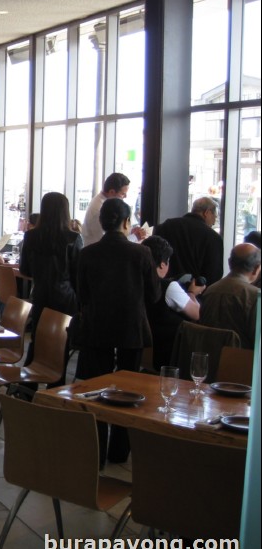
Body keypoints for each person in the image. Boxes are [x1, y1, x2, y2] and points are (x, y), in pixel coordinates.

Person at [75, 198, 160, 464]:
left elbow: (82, 294)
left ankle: (96, 449)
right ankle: (119, 451)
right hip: (130, 329)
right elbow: (154, 295)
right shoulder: (141, 254)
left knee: (95, 389)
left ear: (102, 223)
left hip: (96, 327)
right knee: (127, 391)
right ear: (126, 222)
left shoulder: (87, 253)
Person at [19, 192, 82, 369]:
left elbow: (25, 270)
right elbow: (78, 274)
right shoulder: (73, 238)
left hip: (40, 294)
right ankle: (56, 385)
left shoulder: (31, 237)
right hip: (66, 297)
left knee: (38, 338)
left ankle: (28, 383)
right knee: (61, 342)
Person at [142, 235, 205, 370]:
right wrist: (192, 293)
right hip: (167, 355)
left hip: (141, 351)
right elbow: (196, 314)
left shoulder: (134, 282)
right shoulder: (169, 287)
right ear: (163, 264)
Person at [200, 243, 260, 350]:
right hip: (243, 363)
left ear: (229, 263)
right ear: (257, 268)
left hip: (209, 359)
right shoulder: (255, 296)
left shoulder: (209, 290)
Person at [153, 196, 224, 285]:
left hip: (163, 287)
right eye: (215, 217)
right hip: (194, 291)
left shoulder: (167, 225)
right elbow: (214, 275)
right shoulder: (213, 238)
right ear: (207, 213)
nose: (214, 222)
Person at [81, 172, 138, 246]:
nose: (125, 197)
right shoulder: (99, 209)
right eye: (123, 194)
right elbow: (108, 243)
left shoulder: (102, 203)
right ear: (111, 192)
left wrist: (129, 231)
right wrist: (134, 237)